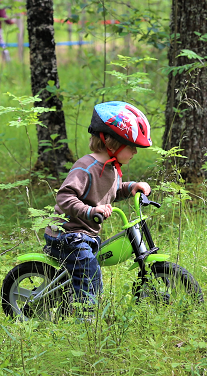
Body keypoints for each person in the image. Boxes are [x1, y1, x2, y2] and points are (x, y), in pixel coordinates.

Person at [44, 101, 153, 308]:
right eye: (131, 147)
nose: (135, 152)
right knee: (89, 275)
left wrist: (132, 187)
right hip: (66, 235)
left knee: (88, 269)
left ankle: (73, 302)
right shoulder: (86, 167)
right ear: (112, 144)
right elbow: (65, 197)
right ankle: (84, 318)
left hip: (84, 234)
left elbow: (110, 192)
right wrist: (90, 211)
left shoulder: (111, 167)